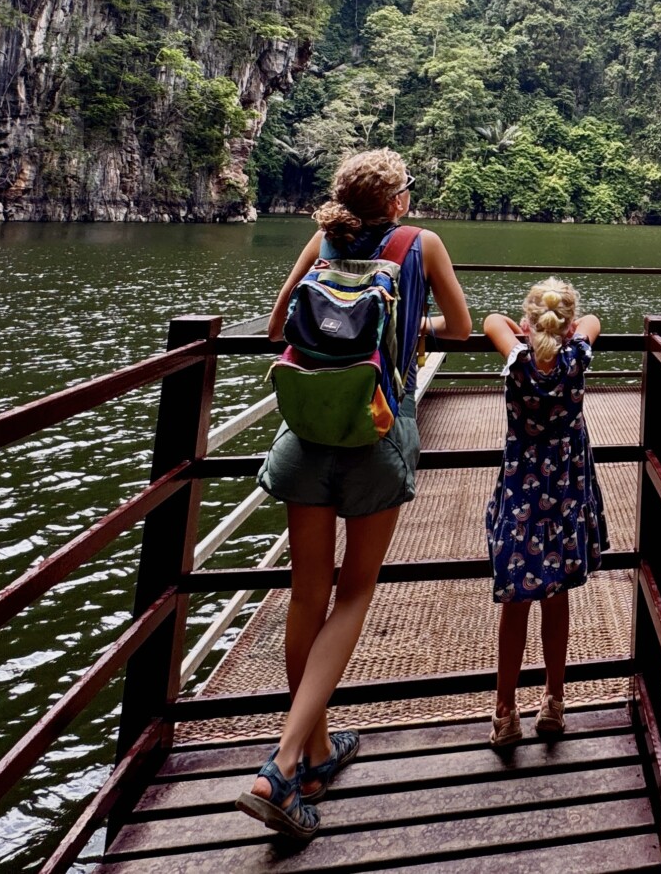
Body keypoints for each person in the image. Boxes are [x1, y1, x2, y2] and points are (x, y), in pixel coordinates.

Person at [237, 148, 470, 839]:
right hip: (375, 430)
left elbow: (280, 326)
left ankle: (314, 751)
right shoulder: (420, 245)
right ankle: (281, 765)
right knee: (354, 594)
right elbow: (458, 330)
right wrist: (413, 326)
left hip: (306, 429)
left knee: (308, 593)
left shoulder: (322, 239)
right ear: (396, 201)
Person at [482, 278, 607, 747]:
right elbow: (594, 323)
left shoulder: (517, 363)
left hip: (521, 501)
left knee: (515, 605)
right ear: (568, 326)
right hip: (565, 498)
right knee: (557, 601)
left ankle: (505, 711)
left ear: (528, 325)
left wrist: (515, 331)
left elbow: (491, 321)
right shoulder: (576, 359)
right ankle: (554, 701)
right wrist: (575, 332)